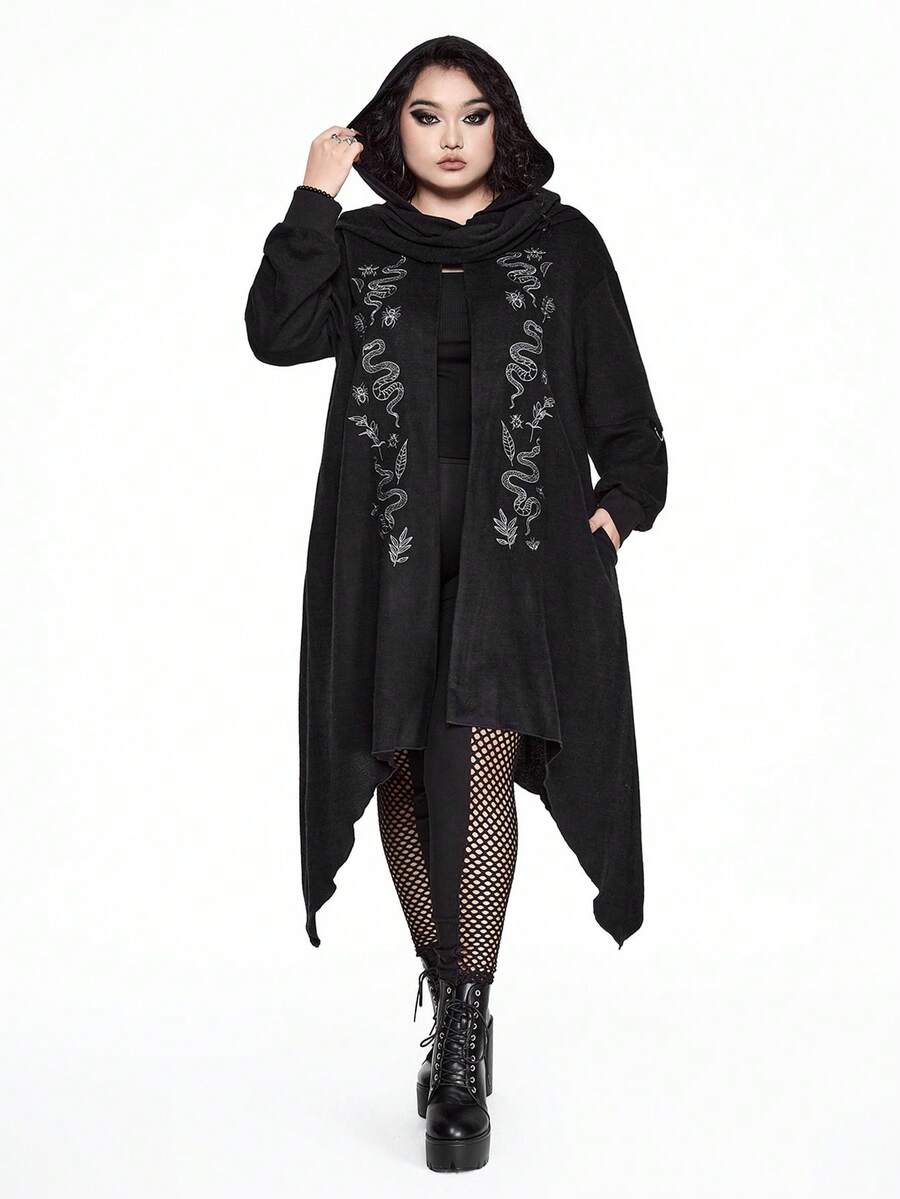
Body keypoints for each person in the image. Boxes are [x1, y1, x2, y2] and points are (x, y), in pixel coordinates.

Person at [244, 33, 667, 1172]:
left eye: (472, 115)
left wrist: (616, 510)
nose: (449, 137)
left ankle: (464, 1035)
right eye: (425, 115)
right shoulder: (360, 246)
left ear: (502, 126)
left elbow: (626, 411)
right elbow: (275, 334)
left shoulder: (560, 244)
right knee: (398, 759)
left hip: (517, 554)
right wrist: (314, 195)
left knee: (480, 751)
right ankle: (446, 987)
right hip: (383, 550)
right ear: (395, 127)